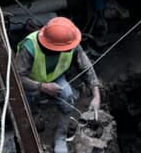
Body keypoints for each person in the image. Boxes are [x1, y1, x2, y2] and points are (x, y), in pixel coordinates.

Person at [16, 16, 101, 153]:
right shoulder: (30, 47)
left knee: (68, 97)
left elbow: (86, 67)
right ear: (55, 47)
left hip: (55, 77)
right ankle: (34, 113)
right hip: (30, 83)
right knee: (31, 120)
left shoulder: (69, 43)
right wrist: (42, 87)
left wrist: (96, 95)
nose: (71, 49)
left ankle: (60, 136)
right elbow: (17, 78)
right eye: (67, 48)